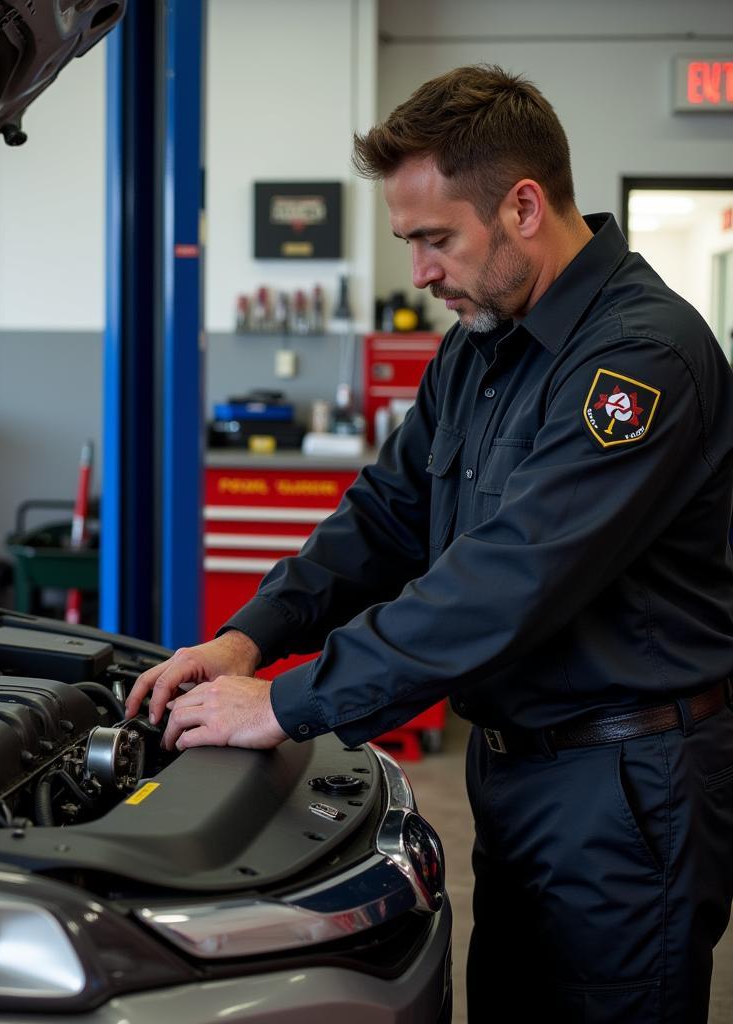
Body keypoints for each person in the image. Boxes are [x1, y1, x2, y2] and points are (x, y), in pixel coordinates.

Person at [124, 65, 733, 1023]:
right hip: (518, 772)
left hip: (623, 791)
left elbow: (508, 579)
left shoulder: (640, 359)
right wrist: (248, 638)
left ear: (524, 205)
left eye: (436, 239)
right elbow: (388, 512)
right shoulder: (482, 343)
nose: (420, 273)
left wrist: (288, 701)